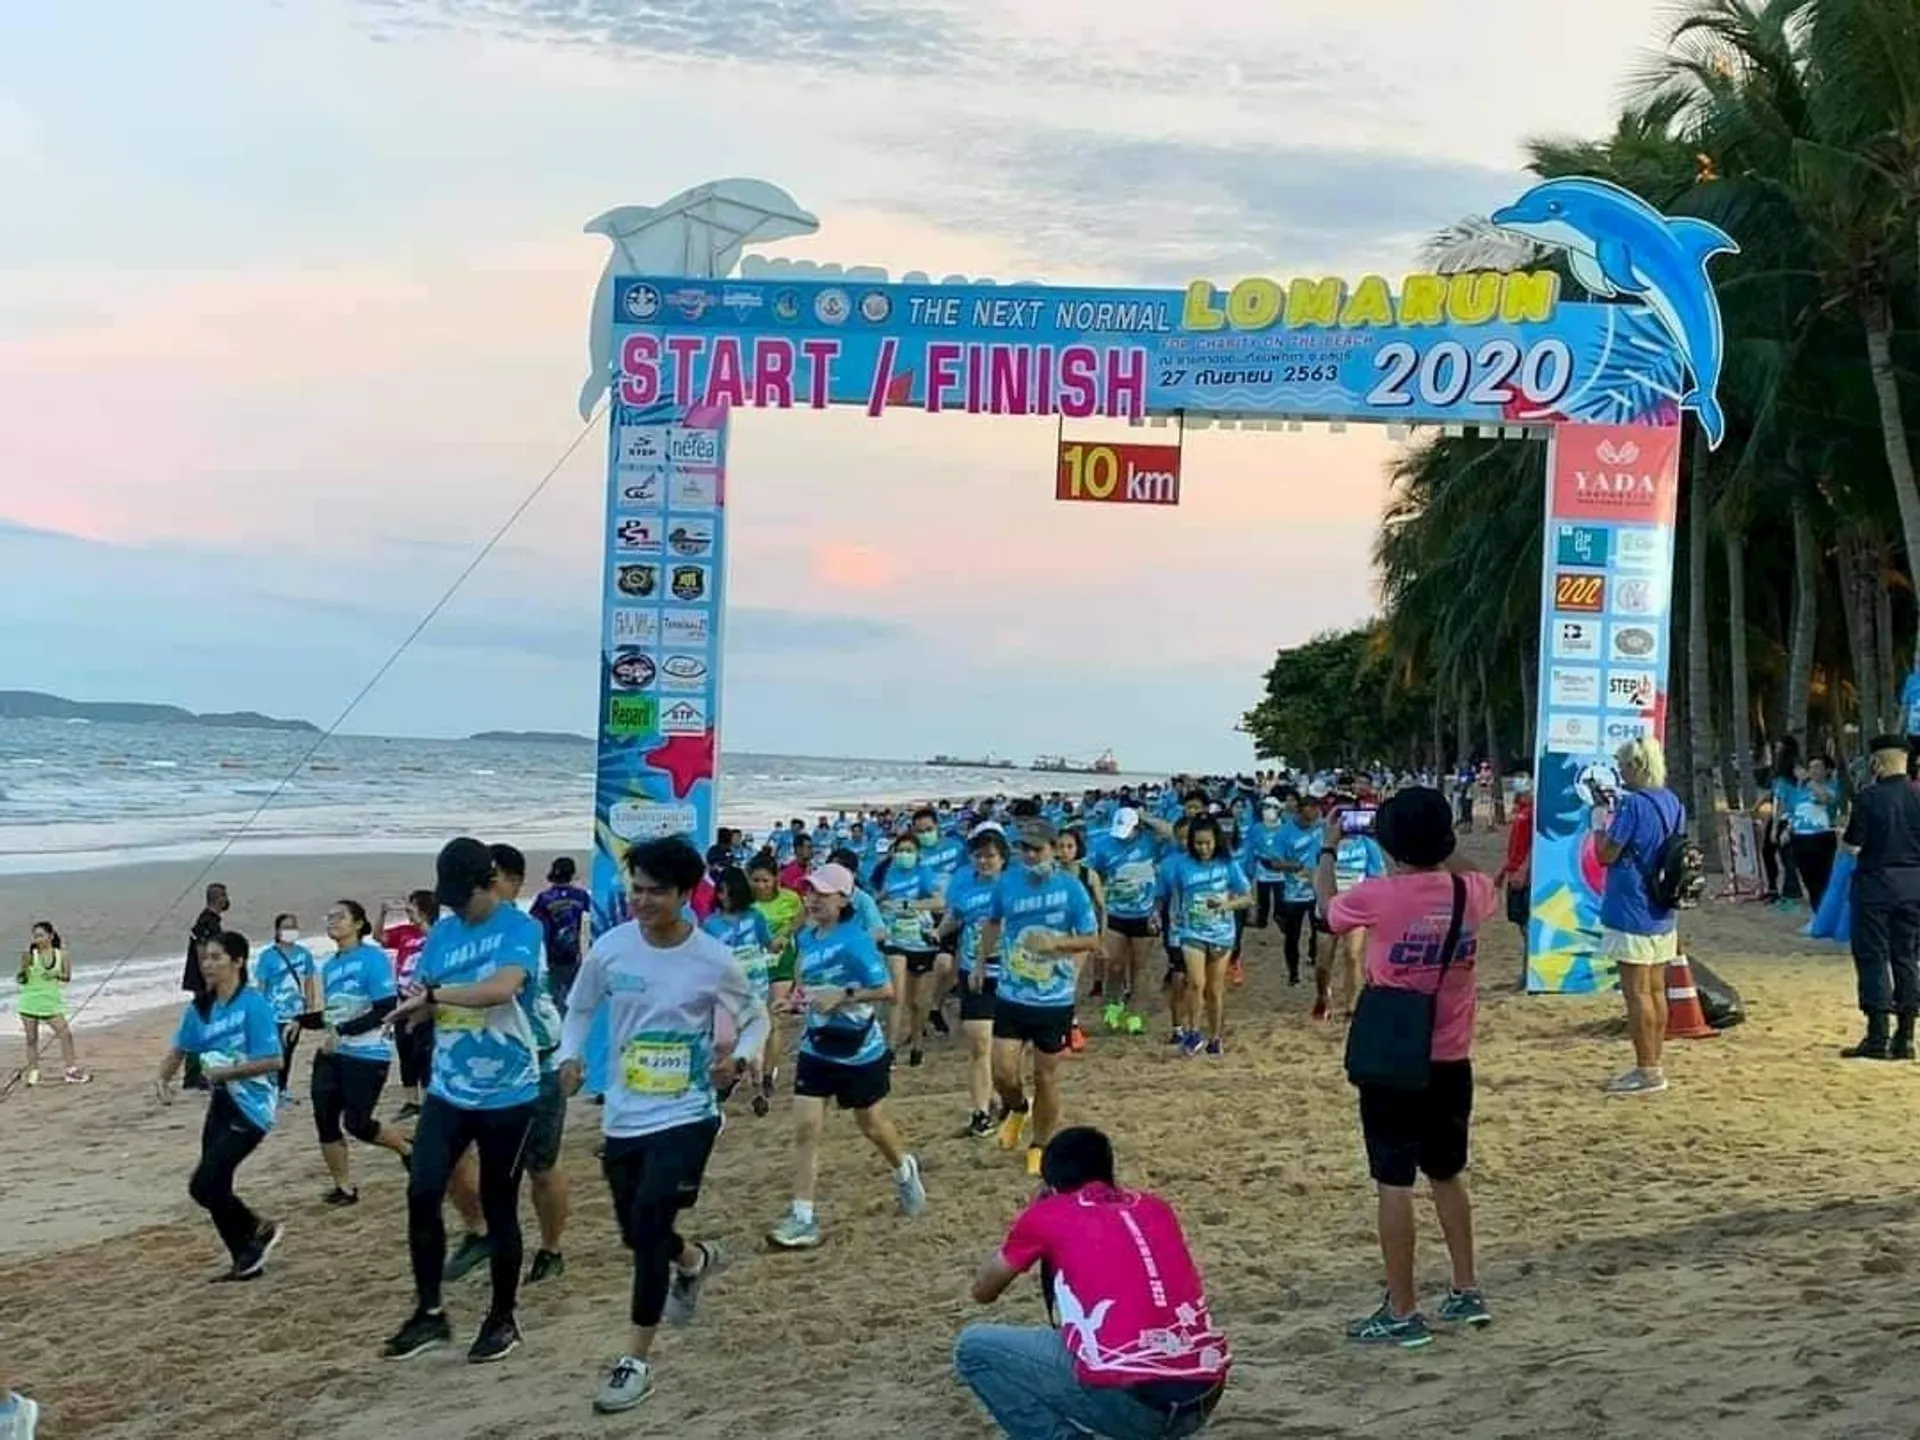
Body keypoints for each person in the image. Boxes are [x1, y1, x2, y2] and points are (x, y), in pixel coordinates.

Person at [556, 837, 770, 1413]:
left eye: (656, 892)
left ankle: (635, 1362)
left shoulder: (711, 959)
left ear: (684, 894)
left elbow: (756, 1019)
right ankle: (695, 1261)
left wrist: (742, 1058)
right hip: (625, 1113)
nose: (642, 901)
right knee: (636, 1232)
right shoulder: (612, 948)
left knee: (648, 1230)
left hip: (688, 1114)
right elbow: (579, 1009)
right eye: (637, 889)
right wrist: (568, 1058)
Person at [1316, 787, 1494, 1348]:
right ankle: (1466, 1289)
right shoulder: (1473, 891)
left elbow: (1327, 912)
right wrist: (1445, 849)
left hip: (1394, 1057)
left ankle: (1403, 1308)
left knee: (1393, 1182)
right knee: (1447, 1172)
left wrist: (1328, 849)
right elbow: (1472, 872)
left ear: (1389, 842)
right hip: (1451, 1055)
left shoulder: (1380, 896)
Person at [380, 837, 544, 1364]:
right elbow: (429, 993)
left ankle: (502, 1318)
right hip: (450, 1088)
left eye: (463, 897)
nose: (454, 908)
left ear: (490, 880)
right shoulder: (445, 931)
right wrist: (411, 1012)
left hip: (509, 1090)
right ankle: (430, 1313)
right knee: (422, 1190)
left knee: (500, 1205)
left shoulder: (521, 928)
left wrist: (434, 997)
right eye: (446, 898)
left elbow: (502, 989)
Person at [954, 1127, 1230, 1439]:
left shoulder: (1050, 1214)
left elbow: (983, 1291)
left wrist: (1034, 1213)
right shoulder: (1157, 1209)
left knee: (973, 1348)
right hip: (1203, 1393)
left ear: (1050, 1183)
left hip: (1136, 1403)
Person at [766, 863, 927, 1251]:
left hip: (859, 1049)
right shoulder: (806, 937)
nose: (813, 899)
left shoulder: (856, 941)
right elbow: (810, 986)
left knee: (871, 1124)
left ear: (844, 899)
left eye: (822, 893)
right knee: (806, 1129)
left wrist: (844, 997)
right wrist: (794, 1002)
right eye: (809, 893)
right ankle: (802, 1216)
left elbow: (887, 990)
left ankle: (904, 1168)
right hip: (817, 1046)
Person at [445, 845, 575, 1288]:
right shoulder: (462, 930)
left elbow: (501, 988)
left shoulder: (522, 931)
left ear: (513, 882)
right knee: (453, 1157)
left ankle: (551, 1248)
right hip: (474, 1064)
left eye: (492, 877)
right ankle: (479, 1231)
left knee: (542, 1165)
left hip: (535, 1061)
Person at [154, 930, 285, 1279]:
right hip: (222, 1102)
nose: (208, 964)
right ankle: (245, 1259)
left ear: (238, 961)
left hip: (253, 1106)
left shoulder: (253, 1005)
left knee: (203, 1184)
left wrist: (227, 1071)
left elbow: (273, 1060)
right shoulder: (201, 1007)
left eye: (216, 957)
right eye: (204, 958)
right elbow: (180, 1048)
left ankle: (260, 1227)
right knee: (217, 1184)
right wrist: (161, 1079)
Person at [976, 820, 1102, 1178]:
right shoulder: (1007, 883)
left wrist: (1057, 944)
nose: (1030, 856)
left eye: (1038, 849)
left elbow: (1092, 940)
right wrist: (981, 963)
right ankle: (1017, 1108)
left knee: (1045, 1076)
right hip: (1012, 992)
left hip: (1054, 998)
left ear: (1053, 849)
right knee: (1002, 1071)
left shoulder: (1071, 889)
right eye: (1025, 849)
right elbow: (992, 923)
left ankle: (1040, 1145)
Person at [1594, 737, 1686, 1097]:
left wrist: (1600, 822)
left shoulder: (1632, 806)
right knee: (1657, 990)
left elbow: (1606, 854)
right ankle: (1655, 1062)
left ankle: (1646, 1069)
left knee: (1636, 994)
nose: (1619, 770)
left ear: (1636, 766)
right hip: (1662, 907)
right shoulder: (1672, 801)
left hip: (1630, 905)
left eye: (1622, 764)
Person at [311, 900, 410, 1204]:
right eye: (329, 916)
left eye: (340, 916)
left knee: (358, 1123)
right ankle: (344, 1187)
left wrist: (341, 1032)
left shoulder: (373, 959)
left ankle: (409, 1149)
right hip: (332, 1054)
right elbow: (334, 1013)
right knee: (325, 1120)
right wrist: (299, 1023)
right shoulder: (328, 966)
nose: (333, 921)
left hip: (367, 1054)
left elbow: (384, 1009)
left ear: (358, 924)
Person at [1839, 735, 1920, 1060]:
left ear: (1877, 763)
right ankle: (1906, 1036)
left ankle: (1877, 1036)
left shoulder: (1868, 798)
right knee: (1907, 957)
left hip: (1875, 885)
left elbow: (1852, 846)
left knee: (1872, 957)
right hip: (1914, 886)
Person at [1159, 817, 1252, 1056]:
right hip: (1192, 930)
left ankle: (1216, 1037)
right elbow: (1170, 894)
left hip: (1221, 932)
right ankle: (1192, 1031)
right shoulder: (1181, 865)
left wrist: (1225, 904)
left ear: (1216, 842)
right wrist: (1170, 918)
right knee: (1196, 982)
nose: (1203, 848)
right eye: (1198, 844)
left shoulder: (1228, 864)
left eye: (1207, 843)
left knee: (1214, 989)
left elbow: (1247, 897)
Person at [940, 825, 1011, 1137]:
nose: (984, 862)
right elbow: (953, 918)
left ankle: (1006, 1098)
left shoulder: (1016, 887)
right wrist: (937, 933)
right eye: (979, 856)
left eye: (990, 856)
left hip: (1012, 977)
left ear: (1003, 858)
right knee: (979, 1043)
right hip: (974, 974)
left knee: (1005, 1053)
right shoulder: (963, 887)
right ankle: (981, 1113)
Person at [702, 866, 780, 1115]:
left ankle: (758, 1089)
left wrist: (779, 942)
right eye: (720, 892)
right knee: (723, 1040)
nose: (724, 897)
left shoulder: (755, 917)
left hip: (755, 987)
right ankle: (729, 1077)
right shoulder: (710, 923)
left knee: (754, 1040)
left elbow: (768, 943)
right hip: (724, 990)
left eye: (728, 892)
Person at [872, 832, 945, 1065]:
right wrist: (881, 899)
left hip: (921, 940)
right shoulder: (884, 872)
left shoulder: (924, 873)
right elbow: (873, 899)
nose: (904, 855)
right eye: (900, 850)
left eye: (909, 851)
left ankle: (917, 1044)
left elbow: (940, 902)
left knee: (918, 1002)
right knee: (897, 996)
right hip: (894, 939)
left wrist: (910, 904)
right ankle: (890, 1049)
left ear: (917, 854)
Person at [1089, 807, 1162, 1031]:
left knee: (1139, 967)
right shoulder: (1103, 845)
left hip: (1145, 914)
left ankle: (1135, 1014)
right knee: (1115, 965)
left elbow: (1172, 833)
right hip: (1115, 913)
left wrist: (1147, 816)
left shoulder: (1152, 841)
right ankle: (1113, 1007)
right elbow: (1095, 875)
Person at [385, 889, 438, 1119]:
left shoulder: (438, 934)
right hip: (404, 998)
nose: (408, 912)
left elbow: (437, 947)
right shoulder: (406, 932)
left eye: (412, 908)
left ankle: (428, 1101)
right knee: (405, 1050)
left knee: (423, 1052)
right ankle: (411, 1102)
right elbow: (381, 938)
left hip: (425, 1002)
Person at [255, 915, 318, 1102]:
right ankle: (270, 1089)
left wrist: (310, 1006)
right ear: (277, 931)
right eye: (285, 927)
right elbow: (261, 985)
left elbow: (308, 981)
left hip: (295, 1014)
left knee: (288, 1052)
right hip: (273, 1013)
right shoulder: (267, 956)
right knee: (273, 1053)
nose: (290, 930)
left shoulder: (304, 954)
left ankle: (281, 1090)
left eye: (293, 926)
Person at [15, 922, 86, 1086]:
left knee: (66, 1035)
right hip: (29, 1001)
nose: (38, 939)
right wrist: (23, 972)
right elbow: (21, 979)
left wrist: (54, 975)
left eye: (41, 935)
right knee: (32, 1039)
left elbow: (67, 977)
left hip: (51, 1002)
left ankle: (71, 1070)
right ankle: (34, 1072)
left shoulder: (62, 955)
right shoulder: (29, 955)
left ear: (51, 936)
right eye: (35, 936)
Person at [180, 881, 230, 1090]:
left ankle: (197, 1072)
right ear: (218, 898)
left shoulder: (210, 921)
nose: (227, 900)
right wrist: (210, 980)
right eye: (225, 896)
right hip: (202, 981)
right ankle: (193, 1075)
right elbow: (203, 952)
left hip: (201, 980)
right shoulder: (207, 922)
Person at [531, 857, 592, 1013]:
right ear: (572, 873)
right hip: (574, 953)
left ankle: (559, 1028)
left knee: (554, 996)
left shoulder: (544, 898)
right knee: (574, 994)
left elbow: (535, 924)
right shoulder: (581, 896)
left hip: (552, 954)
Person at [1495, 779, 1534, 988]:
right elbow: (1514, 845)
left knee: (1528, 926)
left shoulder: (1533, 812)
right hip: (1514, 871)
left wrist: (1524, 870)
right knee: (1521, 924)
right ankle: (1526, 973)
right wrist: (1503, 871)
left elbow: (1534, 844)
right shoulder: (1520, 811)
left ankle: (1528, 975)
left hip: (1523, 874)